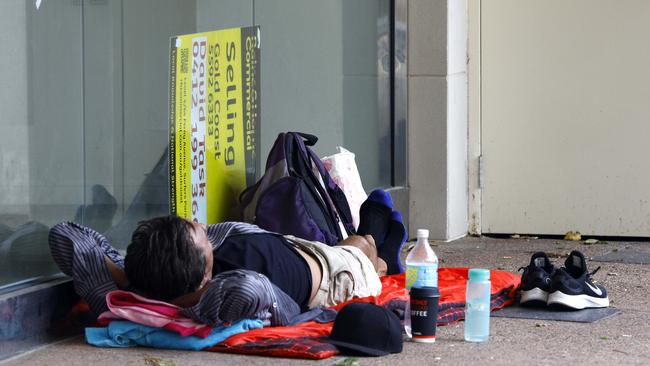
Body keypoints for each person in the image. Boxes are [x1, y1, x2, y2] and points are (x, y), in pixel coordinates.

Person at [49, 192, 405, 327]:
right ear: (204, 278)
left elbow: (65, 234)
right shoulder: (226, 294)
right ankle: (385, 251)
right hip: (329, 276)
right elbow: (250, 286)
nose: (201, 224)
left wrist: (126, 276)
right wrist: (192, 299)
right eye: (199, 234)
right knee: (363, 248)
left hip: (286, 244)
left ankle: (372, 240)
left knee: (350, 241)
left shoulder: (148, 274)